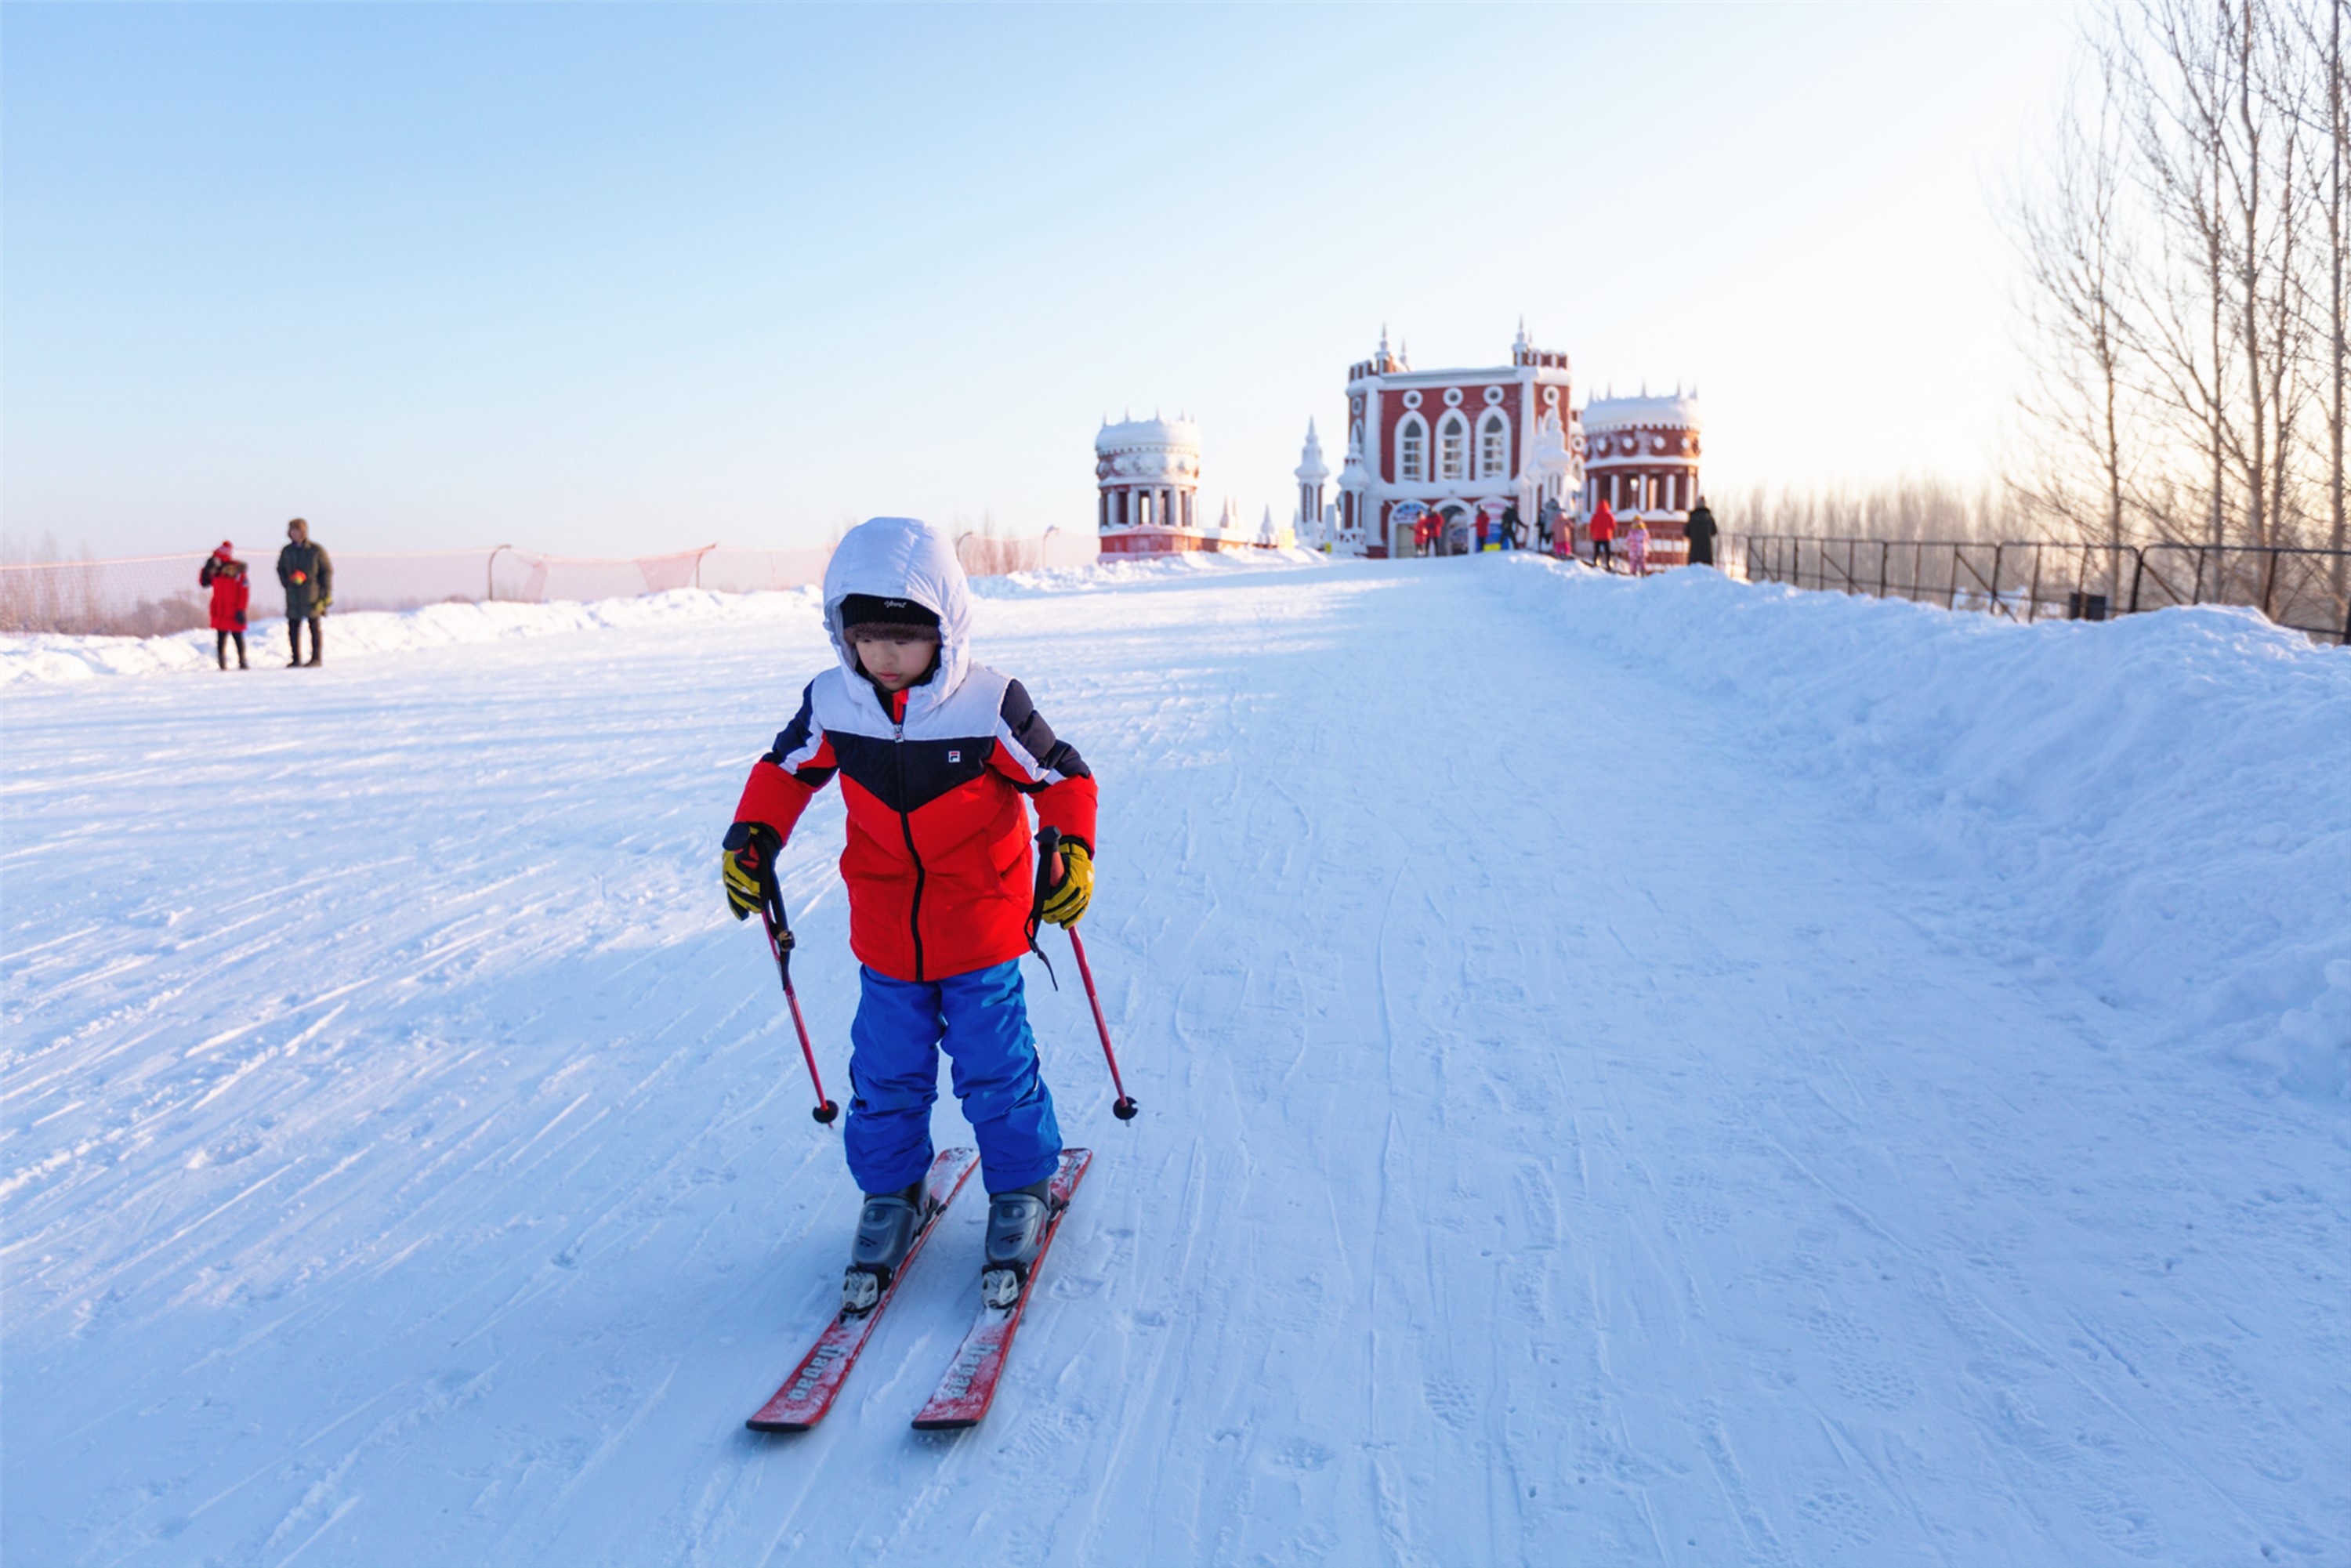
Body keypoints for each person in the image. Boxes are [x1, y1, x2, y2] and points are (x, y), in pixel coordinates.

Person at [721, 516, 1098, 1315]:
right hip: (888, 935)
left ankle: (1023, 1185)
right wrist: (753, 836)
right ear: (841, 634)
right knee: (884, 1073)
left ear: (946, 629)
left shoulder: (989, 702)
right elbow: (785, 771)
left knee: (995, 1066)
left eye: (906, 636)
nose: (885, 655)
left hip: (982, 928)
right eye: (867, 637)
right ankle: (891, 1192)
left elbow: (1061, 776)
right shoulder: (833, 701)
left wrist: (1070, 845)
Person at [276, 518, 332, 667]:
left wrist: (326, 593)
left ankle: (316, 658)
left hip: (312, 594)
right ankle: (296, 658)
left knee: (314, 625)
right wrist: (287, 581)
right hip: (293, 595)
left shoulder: (316, 550)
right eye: (292, 530)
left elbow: (326, 571)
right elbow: (280, 568)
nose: (295, 533)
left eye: (298, 530)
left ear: (304, 532)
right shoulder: (287, 551)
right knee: (293, 626)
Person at [199, 542, 251, 670]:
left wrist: (241, 610)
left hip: (233, 611)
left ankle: (242, 661)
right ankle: (222, 662)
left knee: (237, 636)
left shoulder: (238, 574)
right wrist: (205, 570)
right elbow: (204, 583)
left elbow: (244, 593)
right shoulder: (216, 573)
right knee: (221, 637)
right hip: (220, 610)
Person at [1686, 495, 1719, 567]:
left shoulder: (1692, 518)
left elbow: (1686, 532)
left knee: (1693, 569)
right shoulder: (1709, 518)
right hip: (1707, 553)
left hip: (1694, 553)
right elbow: (1714, 531)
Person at [1588, 498, 1618, 571]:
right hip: (1606, 536)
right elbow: (1613, 525)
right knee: (1607, 551)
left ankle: (1595, 562)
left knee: (1597, 550)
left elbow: (1591, 526)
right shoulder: (1609, 515)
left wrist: (1593, 533)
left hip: (1597, 536)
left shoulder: (1595, 516)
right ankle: (1608, 564)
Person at [1625, 513, 1650, 577]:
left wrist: (1628, 543)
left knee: (1633, 562)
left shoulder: (1632, 531)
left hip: (1633, 549)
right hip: (1642, 548)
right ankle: (1643, 571)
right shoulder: (1644, 530)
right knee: (1642, 561)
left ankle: (1633, 573)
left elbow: (1628, 540)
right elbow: (1647, 538)